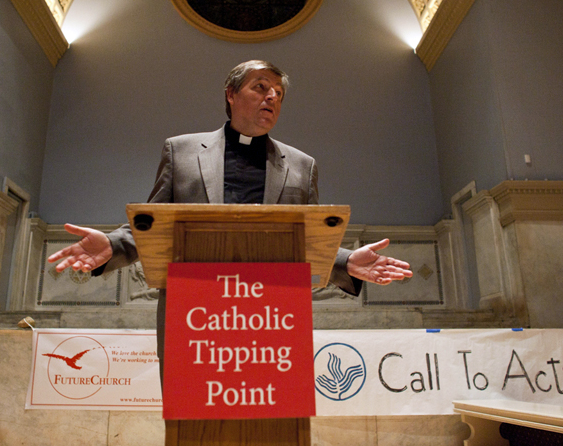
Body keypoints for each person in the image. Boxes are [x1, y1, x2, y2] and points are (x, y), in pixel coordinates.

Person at [48, 60, 413, 378]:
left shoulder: (303, 166)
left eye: (279, 93)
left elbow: (302, 244)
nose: (272, 96)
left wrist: (347, 262)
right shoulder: (182, 151)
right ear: (231, 94)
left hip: (271, 316)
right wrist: (111, 246)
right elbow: (153, 225)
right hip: (194, 314)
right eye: (260, 87)